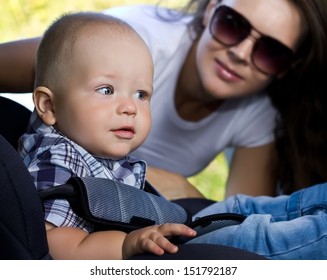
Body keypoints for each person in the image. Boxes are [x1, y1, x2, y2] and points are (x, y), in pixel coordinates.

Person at [1, 0, 327, 199]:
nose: (240, 53)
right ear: (211, 9)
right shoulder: (134, 42)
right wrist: (166, 180)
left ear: (288, 67)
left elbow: (240, 214)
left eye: (271, 52)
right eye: (232, 24)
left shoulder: (256, 113)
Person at [18, 12, 196, 260]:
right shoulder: (59, 160)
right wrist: (126, 245)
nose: (130, 107)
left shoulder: (94, 150)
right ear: (49, 105)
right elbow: (51, 244)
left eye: (141, 95)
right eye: (106, 90)